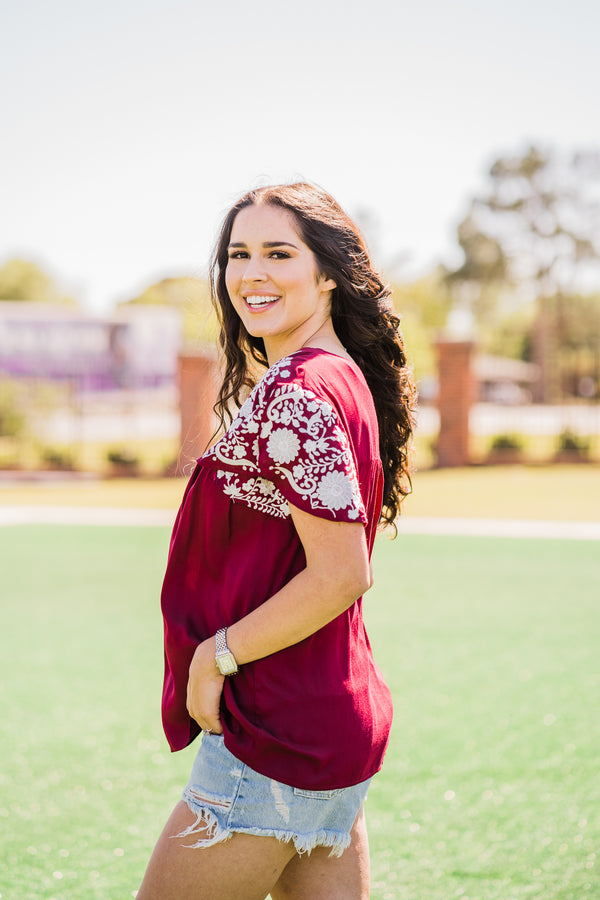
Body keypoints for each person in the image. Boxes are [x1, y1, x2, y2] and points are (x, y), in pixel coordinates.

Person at [137, 182, 416, 899]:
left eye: (278, 253)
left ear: (327, 272)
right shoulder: (335, 377)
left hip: (276, 729)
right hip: (325, 718)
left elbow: (340, 575)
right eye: (238, 254)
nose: (251, 273)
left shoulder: (302, 390)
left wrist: (214, 655)